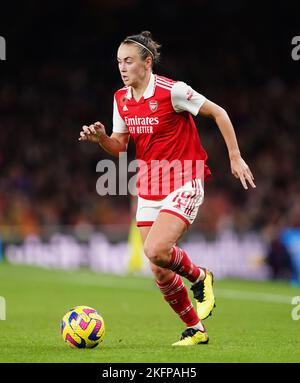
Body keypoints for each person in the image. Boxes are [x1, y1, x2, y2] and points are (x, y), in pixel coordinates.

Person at [79, 31, 256, 346]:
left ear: (147, 63)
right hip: (149, 184)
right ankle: (196, 330)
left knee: (156, 250)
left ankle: (201, 277)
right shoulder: (120, 98)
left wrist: (235, 156)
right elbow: (119, 146)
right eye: (119, 61)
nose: (122, 67)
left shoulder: (172, 91)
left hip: (184, 179)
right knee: (159, 269)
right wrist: (102, 138)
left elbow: (219, 112)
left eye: (129, 61)